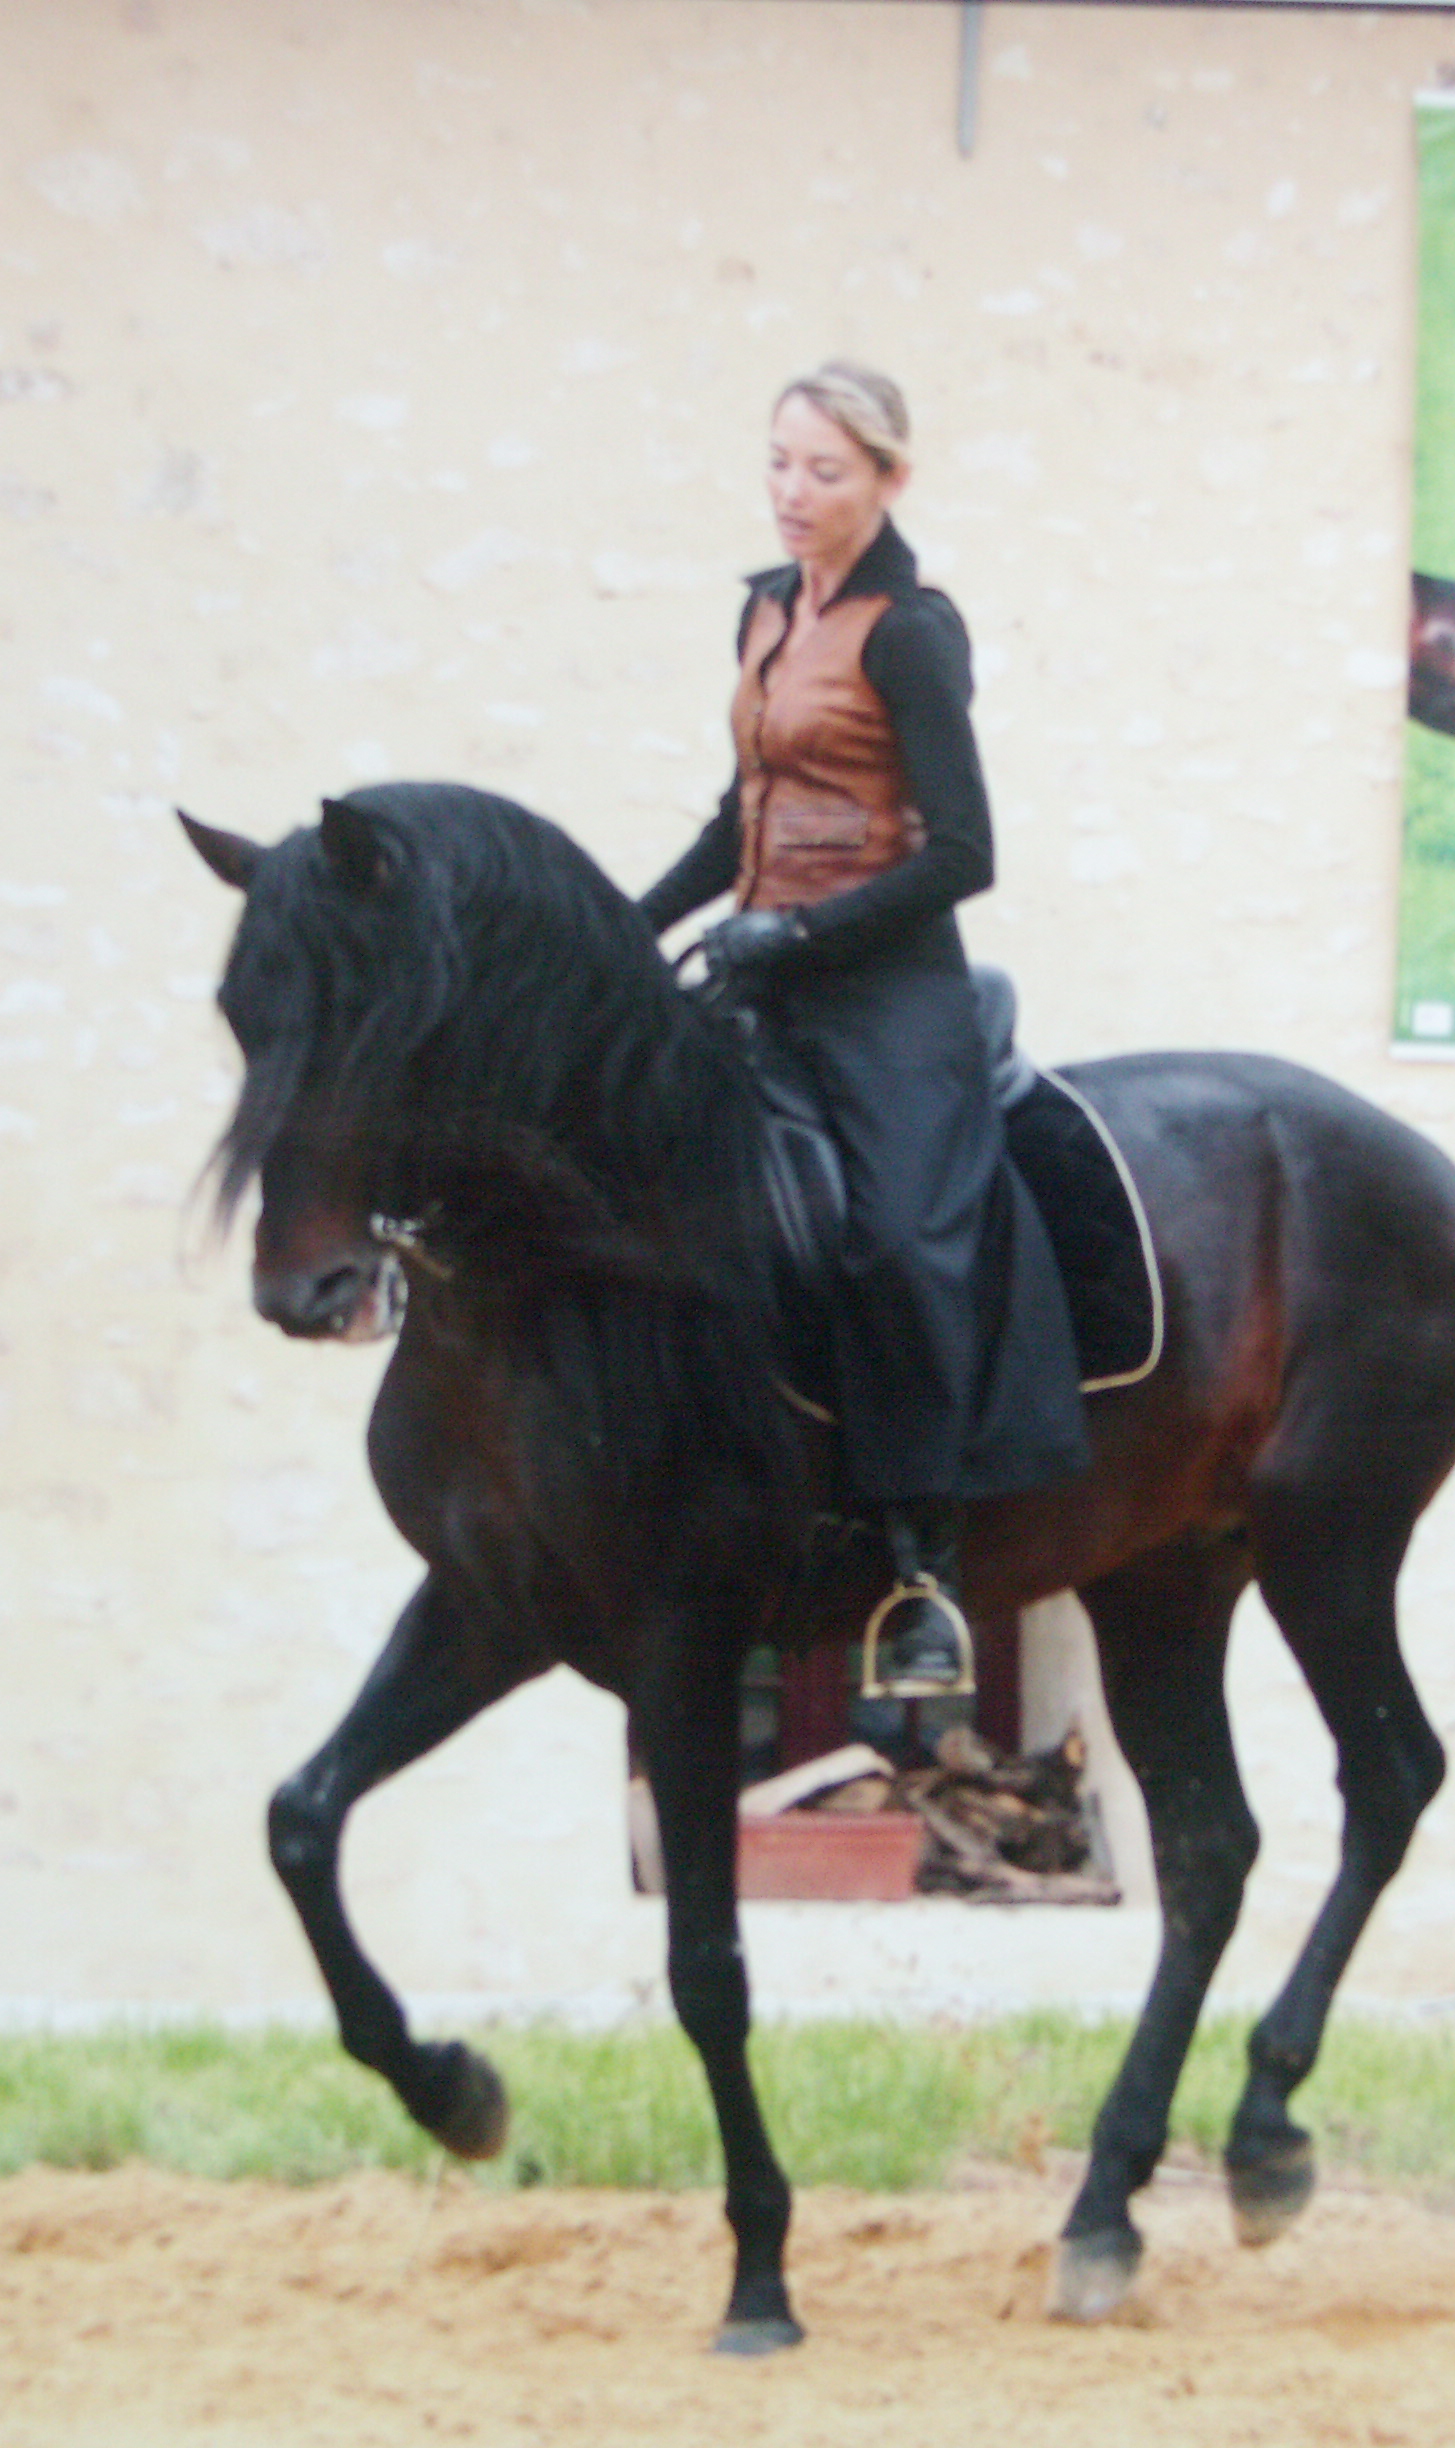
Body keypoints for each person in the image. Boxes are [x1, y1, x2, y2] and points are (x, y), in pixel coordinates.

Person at [636, 361, 1088, 1698]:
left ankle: (923, 1558)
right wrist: (626, 921)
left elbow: (966, 854)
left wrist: (804, 936)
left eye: (824, 471)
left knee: (896, 1239)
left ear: (891, 480)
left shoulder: (911, 631)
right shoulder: (768, 611)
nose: (791, 493)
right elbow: (742, 819)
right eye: (778, 462)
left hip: (888, 988)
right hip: (767, 968)